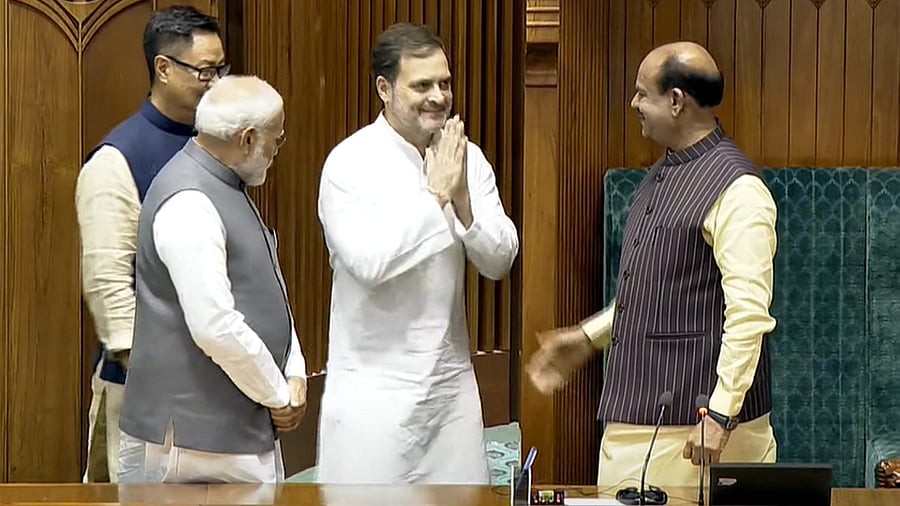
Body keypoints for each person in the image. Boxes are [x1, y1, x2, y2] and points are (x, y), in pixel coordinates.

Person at [527, 41, 778, 489]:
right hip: (642, 422)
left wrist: (721, 413)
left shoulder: (739, 190)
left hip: (696, 433)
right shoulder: (661, 172)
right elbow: (660, 287)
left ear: (676, 101)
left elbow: (749, 316)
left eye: (642, 94)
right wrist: (587, 338)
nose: (634, 104)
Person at [315, 22, 519, 485]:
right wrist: (436, 198)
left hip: (450, 393)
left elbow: (500, 259)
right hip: (374, 396)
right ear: (384, 89)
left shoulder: (466, 156)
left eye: (444, 83)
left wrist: (465, 205)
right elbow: (370, 264)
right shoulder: (349, 163)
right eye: (422, 85)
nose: (438, 96)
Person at [116, 75, 307, 483]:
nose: (278, 148)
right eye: (277, 138)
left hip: (237, 425)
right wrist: (278, 394)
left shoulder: (227, 184)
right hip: (196, 442)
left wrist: (295, 372)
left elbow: (265, 287)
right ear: (248, 139)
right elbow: (214, 326)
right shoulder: (189, 201)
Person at [74, 5, 227, 483]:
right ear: (164, 69)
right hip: (145, 392)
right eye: (205, 71)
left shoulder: (218, 147)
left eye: (222, 69)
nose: (217, 83)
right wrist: (151, 372)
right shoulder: (117, 159)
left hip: (218, 386)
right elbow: (108, 283)